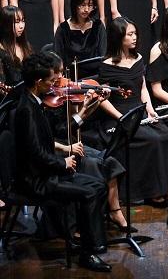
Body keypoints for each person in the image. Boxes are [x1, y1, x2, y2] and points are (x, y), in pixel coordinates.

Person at [13, 52, 112, 272]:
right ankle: (89, 252)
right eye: (51, 81)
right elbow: (36, 153)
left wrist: (86, 110)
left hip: (45, 173)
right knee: (90, 192)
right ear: (38, 82)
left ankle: (88, 242)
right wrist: (63, 163)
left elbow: (55, 134)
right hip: (36, 181)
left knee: (98, 186)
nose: (54, 84)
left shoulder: (35, 102)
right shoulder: (26, 110)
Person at [94, 16, 168, 206]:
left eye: (135, 34)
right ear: (118, 37)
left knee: (166, 135)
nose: (134, 38)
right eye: (130, 34)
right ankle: (152, 192)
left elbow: (143, 88)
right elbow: (102, 99)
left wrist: (150, 109)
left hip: (139, 111)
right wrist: (120, 117)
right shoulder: (107, 65)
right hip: (118, 116)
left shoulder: (138, 58)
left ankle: (165, 186)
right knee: (153, 140)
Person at [54, 0, 107, 76]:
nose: (86, 9)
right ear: (75, 4)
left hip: (96, 77)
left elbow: (104, 56)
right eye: (83, 5)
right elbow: (58, 60)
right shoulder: (63, 29)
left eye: (90, 5)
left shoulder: (98, 26)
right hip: (72, 79)